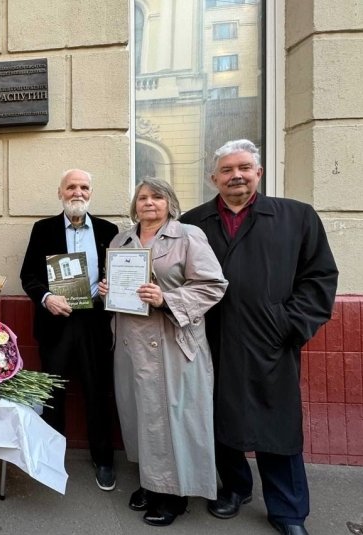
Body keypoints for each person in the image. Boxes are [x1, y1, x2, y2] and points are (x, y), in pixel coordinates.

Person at [180, 140, 338, 535]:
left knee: (277, 425)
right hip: (210, 338)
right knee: (218, 417)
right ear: (213, 178)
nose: (237, 175)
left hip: (270, 340)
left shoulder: (295, 217)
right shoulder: (193, 223)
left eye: (245, 168)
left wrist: (288, 323)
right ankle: (234, 488)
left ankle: (288, 511)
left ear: (259, 173)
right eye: (227, 169)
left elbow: (319, 277)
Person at [98, 178, 227, 526]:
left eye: (157, 197)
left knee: (172, 418)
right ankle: (151, 483)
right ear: (134, 205)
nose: (149, 203)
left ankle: (174, 494)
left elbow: (213, 285)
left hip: (171, 342)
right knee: (139, 415)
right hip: (129, 343)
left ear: (169, 202)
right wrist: (108, 289)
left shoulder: (188, 236)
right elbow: (119, 286)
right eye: (142, 197)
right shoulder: (122, 239)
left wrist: (167, 299)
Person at [19, 168, 119, 491]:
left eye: (84, 187)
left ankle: (103, 459)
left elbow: (120, 274)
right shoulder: (42, 229)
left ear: (91, 192)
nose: (78, 192)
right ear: (60, 193)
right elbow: (28, 277)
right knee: (53, 394)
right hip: (56, 323)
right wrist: (46, 298)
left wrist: (110, 287)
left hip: (94, 323)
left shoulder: (109, 230)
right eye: (71, 187)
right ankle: (51, 455)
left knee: (97, 392)